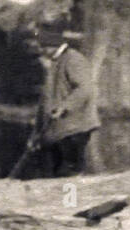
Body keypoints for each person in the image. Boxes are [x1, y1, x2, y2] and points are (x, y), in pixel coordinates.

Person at [32, 30, 100, 176]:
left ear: (51, 45)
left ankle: (71, 199)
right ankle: (65, 198)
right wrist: (36, 132)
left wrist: (65, 106)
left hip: (75, 126)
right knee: (58, 172)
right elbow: (46, 98)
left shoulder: (73, 59)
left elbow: (85, 88)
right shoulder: (53, 62)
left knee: (71, 170)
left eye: (42, 47)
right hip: (58, 129)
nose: (41, 51)